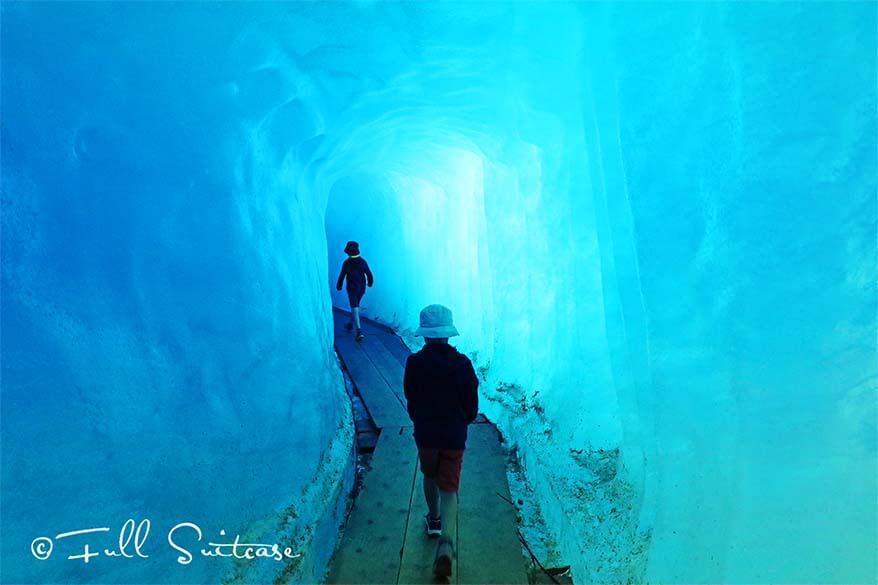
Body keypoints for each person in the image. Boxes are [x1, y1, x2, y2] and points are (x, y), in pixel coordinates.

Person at [403, 304, 478, 578]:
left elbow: (410, 396)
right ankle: (446, 542)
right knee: (450, 486)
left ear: (424, 334)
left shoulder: (414, 363)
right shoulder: (463, 364)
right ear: (449, 334)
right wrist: (463, 421)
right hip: (454, 435)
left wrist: (419, 420)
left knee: (429, 474)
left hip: (426, 434)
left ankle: (433, 520)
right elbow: (471, 403)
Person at [335, 241, 373, 341]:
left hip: (352, 289)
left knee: (354, 308)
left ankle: (359, 331)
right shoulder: (362, 262)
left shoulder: (346, 263)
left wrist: (339, 285)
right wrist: (370, 282)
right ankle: (350, 324)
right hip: (361, 288)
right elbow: (369, 274)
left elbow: (342, 275)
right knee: (355, 307)